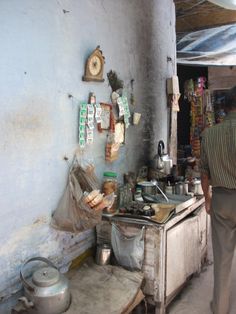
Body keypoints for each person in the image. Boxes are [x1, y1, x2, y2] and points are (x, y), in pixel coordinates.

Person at [200, 86, 236, 314]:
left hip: (222, 200)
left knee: (222, 260)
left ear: (224, 108)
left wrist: (207, 199)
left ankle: (220, 309)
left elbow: (204, 174)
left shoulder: (210, 135)